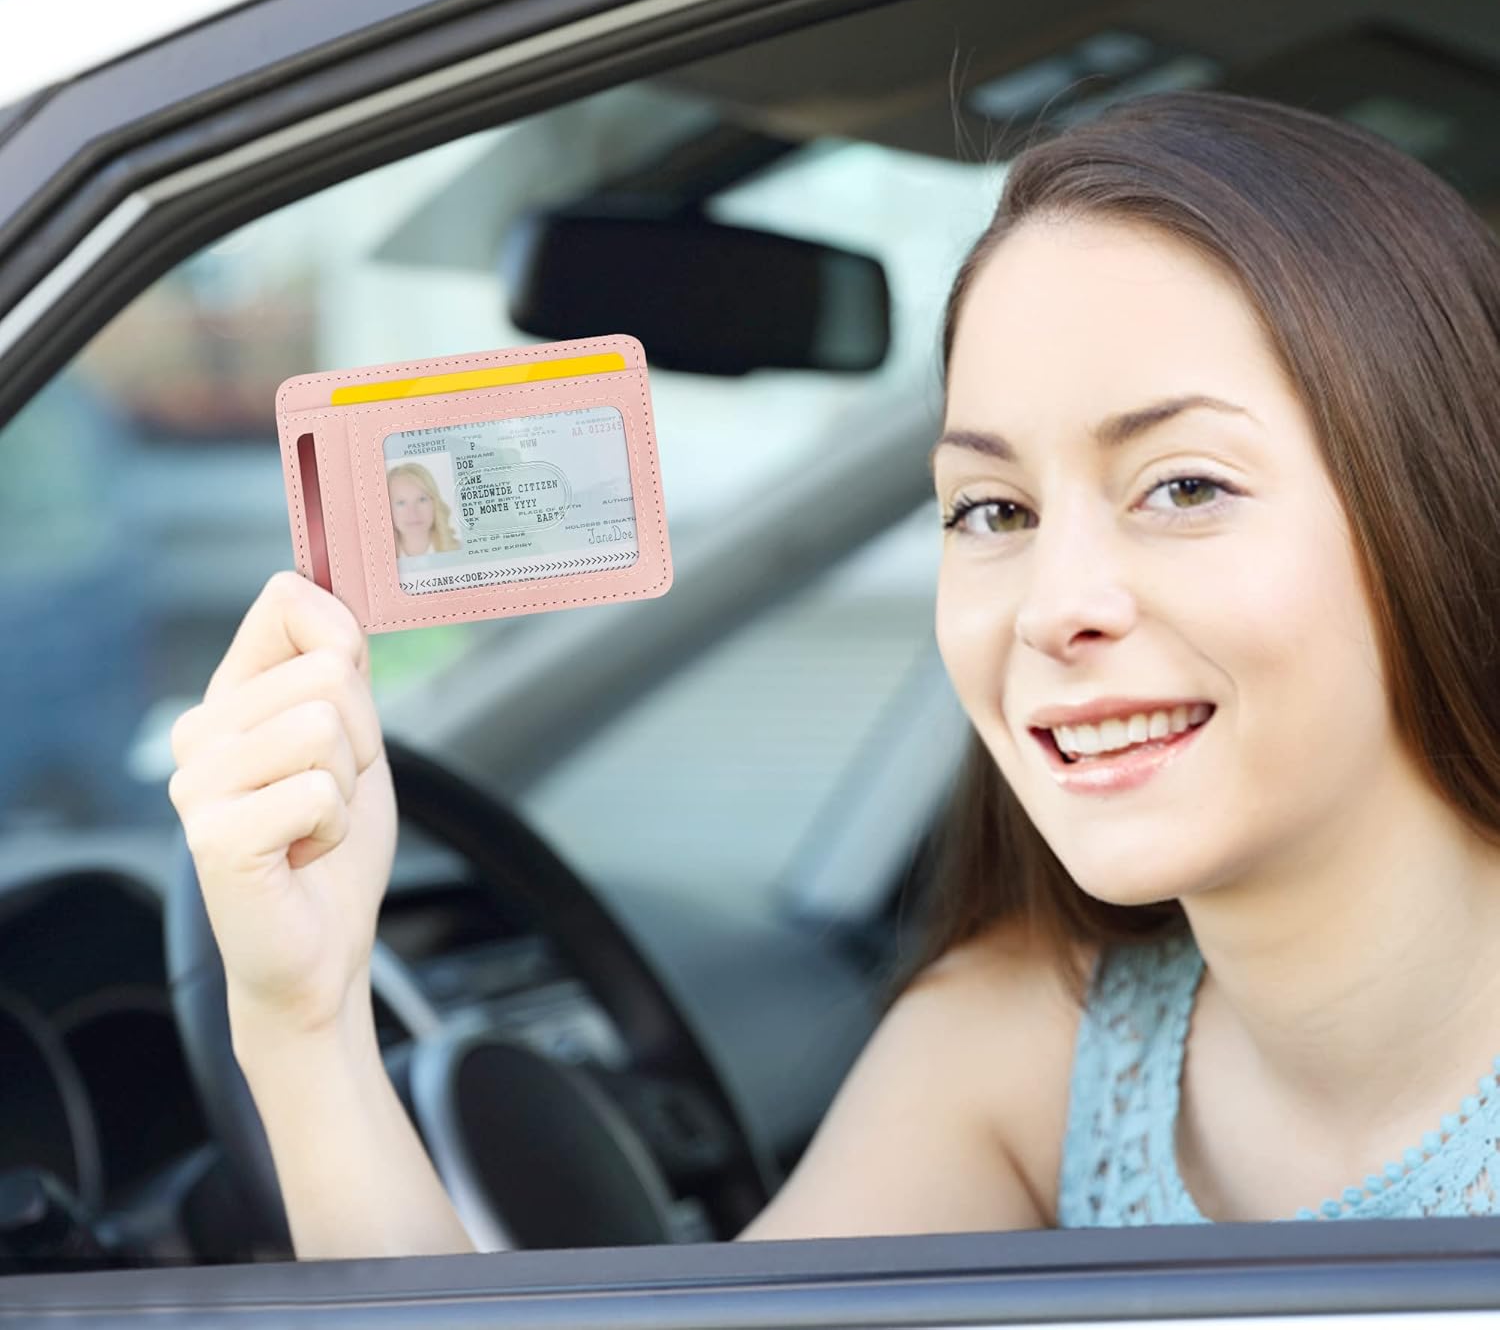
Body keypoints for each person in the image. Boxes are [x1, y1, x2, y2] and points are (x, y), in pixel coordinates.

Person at [167, 90, 1500, 1256]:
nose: (1054, 609)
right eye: (992, 511)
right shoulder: (1031, 1043)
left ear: (1436, 509)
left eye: (1184, 484)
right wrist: (306, 1023)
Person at [386, 462, 461, 559]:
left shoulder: (459, 552)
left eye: (422, 499)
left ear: (434, 504)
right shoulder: (381, 560)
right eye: (401, 503)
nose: (412, 513)